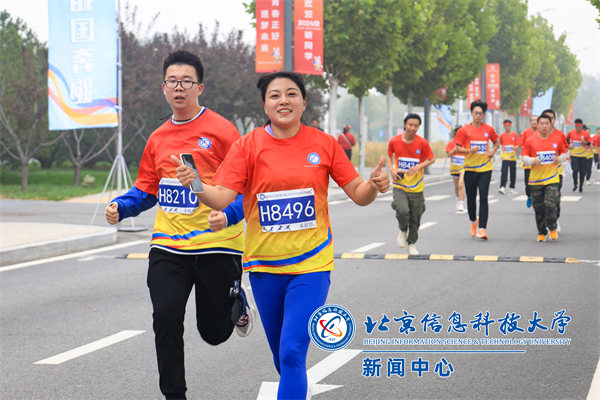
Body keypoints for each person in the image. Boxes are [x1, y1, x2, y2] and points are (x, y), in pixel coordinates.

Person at [172, 71, 389, 400]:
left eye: (291, 94)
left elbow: (359, 194)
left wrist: (373, 184)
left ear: (304, 102)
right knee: (282, 358)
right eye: (274, 95)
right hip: (264, 268)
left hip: (311, 266)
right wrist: (195, 184)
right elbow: (221, 197)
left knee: (291, 353)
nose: (283, 100)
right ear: (265, 105)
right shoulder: (248, 146)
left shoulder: (324, 144)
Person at [104, 50, 254, 400]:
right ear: (164, 88)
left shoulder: (222, 131)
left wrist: (228, 214)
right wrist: (121, 207)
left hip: (218, 243)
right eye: (172, 81)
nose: (179, 87)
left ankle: (236, 301)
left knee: (214, 333)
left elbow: (244, 187)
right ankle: (174, 395)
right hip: (169, 245)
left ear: (200, 87)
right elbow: (147, 188)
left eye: (186, 81)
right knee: (166, 316)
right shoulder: (158, 138)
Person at [386, 113, 435, 255]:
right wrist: (391, 169)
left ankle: (412, 243)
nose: (412, 128)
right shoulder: (395, 141)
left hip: (416, 187)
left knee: (416, 216)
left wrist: (418, 166)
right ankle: (402, 230)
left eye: (416, 126)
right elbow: (389, 154)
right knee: (402, 210)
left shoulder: (422, 143)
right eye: (410, 125)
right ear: (404, 124)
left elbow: (431, 159)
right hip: (400, 184)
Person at [454, 99, 499, 240]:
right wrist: (470, 151)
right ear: (471, 114)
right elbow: (457, 148)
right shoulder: (464, 130)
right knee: (471, 198)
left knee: (484, 197)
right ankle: (474, 221)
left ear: (484, 115)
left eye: (480, 113)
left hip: (485, 168)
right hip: (470, 169)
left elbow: (496, 142)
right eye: (476, 113)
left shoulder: (489, 129)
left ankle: (482, 229)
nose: (478, 116)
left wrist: (493, 152)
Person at [521, 114, 568, 241]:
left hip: (552, 178)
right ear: (537, 125)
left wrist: (560, 159)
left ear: (551, 124)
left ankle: (552, 228)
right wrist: (533, 160)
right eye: (541, 123)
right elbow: (524, 157)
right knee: (539, 207)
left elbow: (564, 153)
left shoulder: (557, 139)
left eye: (547, 123)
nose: (544, 126)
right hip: (536, 180)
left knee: (550, 204)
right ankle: (542, 231)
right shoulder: (530, 140)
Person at [540, 109, 568, 232]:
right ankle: (545, 222)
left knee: (554, 198)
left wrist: (559, 158)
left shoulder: (560, 135)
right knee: (542, 200)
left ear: (554, 120)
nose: (549, 120)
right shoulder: (537, 135)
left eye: (551, 118)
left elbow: (565, 151)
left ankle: (554, 219)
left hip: (556, 173)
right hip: (540, 173)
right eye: (546, 118)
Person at [566, 119, 592, 193]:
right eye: (576, 126)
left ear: (581, 126)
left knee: (582, 172)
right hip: (573, 155)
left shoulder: (585, 134)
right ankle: (575, 184)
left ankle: (581, 186)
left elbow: (589, 143)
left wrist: (585, 142)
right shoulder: (571, 132)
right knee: (575, 169)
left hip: (583, 155)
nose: (577, 128)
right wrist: (569, 145)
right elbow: (566, 140)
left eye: (579, 126)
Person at [445, 125, 466, 212]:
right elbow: (448, 154)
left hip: (463, 167)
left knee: (461, 184)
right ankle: (458, 199)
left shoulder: (466, 143)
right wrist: (455, 148)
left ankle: (462, 203)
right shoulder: (451, 143)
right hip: (454, 167)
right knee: (457, 186)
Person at [519, 115, 538, 207]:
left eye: (536, 120)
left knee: (538, 183)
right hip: (528, 162)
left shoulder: (542, 132)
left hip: (538, 162)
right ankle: (529, 196)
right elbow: (521, 145)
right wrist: (528, 150)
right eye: (532, 120)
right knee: (528, 183)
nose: (534, 122)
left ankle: (536, 202)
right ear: (530, 122)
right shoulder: (525, 132)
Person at [498, 119, 520, 195]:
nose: (506, 127)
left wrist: (515, 147)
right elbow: (501, 143)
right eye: (505, 125)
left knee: (513, 172)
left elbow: (519, 144)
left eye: (508, 125)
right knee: (504, 172)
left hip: (513, 157)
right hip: (505, 156)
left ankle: (512, 187)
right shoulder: (502, 135)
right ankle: (502, 187)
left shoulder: (515, 135)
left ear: (510, 126)